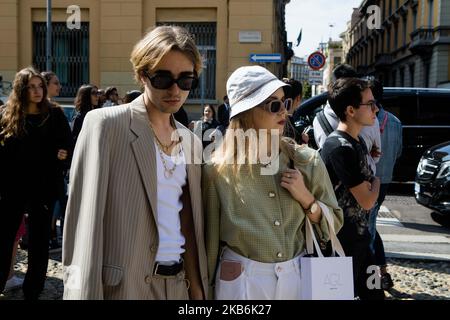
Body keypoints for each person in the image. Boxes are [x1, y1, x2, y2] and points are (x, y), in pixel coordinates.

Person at [63, 25, 207, 300]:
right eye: (163, 78)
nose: (175, 89)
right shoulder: (106, 125)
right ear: (143, 75)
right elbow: (85, 222)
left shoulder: (191, 142)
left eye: (186, 80)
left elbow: (187, 221)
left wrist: (196, 289)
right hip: (122, 287)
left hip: (178, 287)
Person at [203, 65, 343, 300]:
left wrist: (307, 200)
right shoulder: (217, 171)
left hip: (297, 280)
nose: (284, 112)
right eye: (273, 105)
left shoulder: (306, 160)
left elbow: (334, 226)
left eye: (285, 103)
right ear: (245, 112)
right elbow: (210, 244)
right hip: (239, 284)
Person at [0, 67, 72, 299]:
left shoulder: (55, 114)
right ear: (21, 89)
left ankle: (33, 289)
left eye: (40, 86)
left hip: (43, 187)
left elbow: (68, 145)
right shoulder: (9, 115)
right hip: (12, 188)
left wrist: (63, 155)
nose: (37, 91)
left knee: (39, 242)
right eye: (31, 86)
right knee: (6, 237)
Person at [321, 77, 384, 300]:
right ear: (350, 110)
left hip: (361, 244)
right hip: (340, 248)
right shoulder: (339, 147)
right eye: (369, 104)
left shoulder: (354, 142)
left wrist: (371, 186)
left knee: (376, 297)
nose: (376, 109)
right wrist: (376, 181)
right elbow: (367, 200)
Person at [368, 79, 402, 291]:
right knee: (370, 226)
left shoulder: (365, 120)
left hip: (368, 181)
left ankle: (373, 279)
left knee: (367, 230)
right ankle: (381, 272)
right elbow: (398, 152)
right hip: (386, 179)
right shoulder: (396, 121)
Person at [282, 78, 309, 145]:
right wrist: (304, 142)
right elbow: (294, 154)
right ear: (298, 98)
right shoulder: (291, 131)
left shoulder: (273, 119)